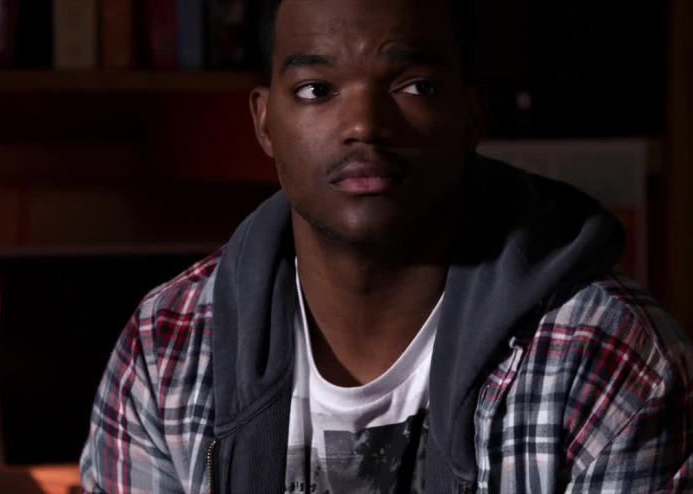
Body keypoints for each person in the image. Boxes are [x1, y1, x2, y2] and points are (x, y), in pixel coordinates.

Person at [80, 0, 693, 492]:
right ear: (264, 122)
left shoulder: (608, 359)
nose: (364, 126)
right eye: (316, 89)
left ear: (471, 115)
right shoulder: (167, 346)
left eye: (415, 86)